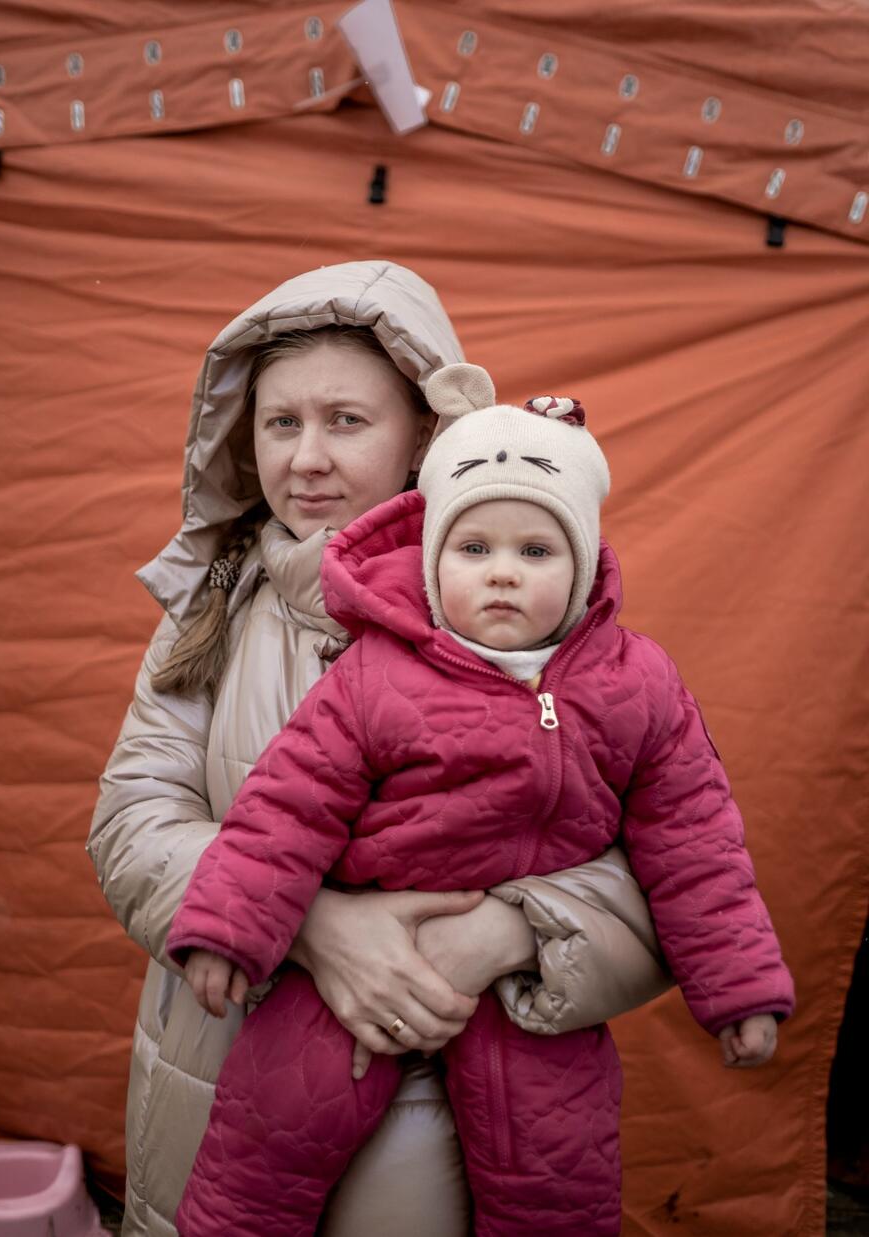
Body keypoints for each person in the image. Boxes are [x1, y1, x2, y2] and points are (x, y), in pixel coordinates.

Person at [88, 263, 669, 1237]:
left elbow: (673, 855)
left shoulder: (525, 611)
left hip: (445, 1119)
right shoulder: (214, 610)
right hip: (220, 1076)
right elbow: (132, 819)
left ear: (420, 439)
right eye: (281, 423)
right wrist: (308, 922)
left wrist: (508, 933)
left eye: (346, 421)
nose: (306, 458)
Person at [166, 363, 795, 1237]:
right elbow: (286, 806)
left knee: (556, 1170)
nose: (503, 574)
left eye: (535, 552)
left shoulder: (635, 683)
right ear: (432, 562)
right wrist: (230, 928)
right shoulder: (378, 675)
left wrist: (738, 989)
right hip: (356, 957)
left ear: (581, 566)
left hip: (525, 988)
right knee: (265, 1136)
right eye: (475, 549)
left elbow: (696, 841)